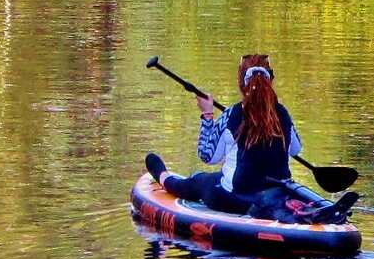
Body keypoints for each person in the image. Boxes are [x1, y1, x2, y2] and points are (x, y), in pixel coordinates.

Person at [145, 54, 352, 224]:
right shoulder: (283, 114)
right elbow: (295, 149)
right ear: (270, 81)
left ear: (241, 83)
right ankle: (308, 210)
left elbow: (207, 156)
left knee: (200, 180)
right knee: (276, 188)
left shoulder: (232, 114)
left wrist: (207, 115)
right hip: (275, 194)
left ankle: (163, 177)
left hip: (236, 198)